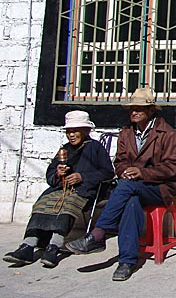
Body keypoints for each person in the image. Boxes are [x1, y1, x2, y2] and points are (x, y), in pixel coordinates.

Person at [65, 87, 176, 281]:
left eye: (139, 108)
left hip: (160, 188)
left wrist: (143, 172)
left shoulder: (167, 134)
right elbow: (119, 161)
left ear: (151, 111)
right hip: (132, 187)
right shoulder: (126, 133)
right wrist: (125, 172)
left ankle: (98, 234)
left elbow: (174, 165)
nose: (134, 112)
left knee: (126, 188)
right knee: (131, 201)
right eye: (132, 109)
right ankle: (127, 261)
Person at [3, 110, 114, 268]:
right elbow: (50, 173)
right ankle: (27, 246)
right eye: (68, 131)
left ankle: (53, 247)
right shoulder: (64, 150)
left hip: (83, 191)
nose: (71, 135)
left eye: (75, 131)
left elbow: (107, 172)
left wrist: (82, 177)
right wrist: (57, 172)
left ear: (86, 131)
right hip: (60, 189)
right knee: (42, 203)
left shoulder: (96, 148)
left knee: (67, 205)